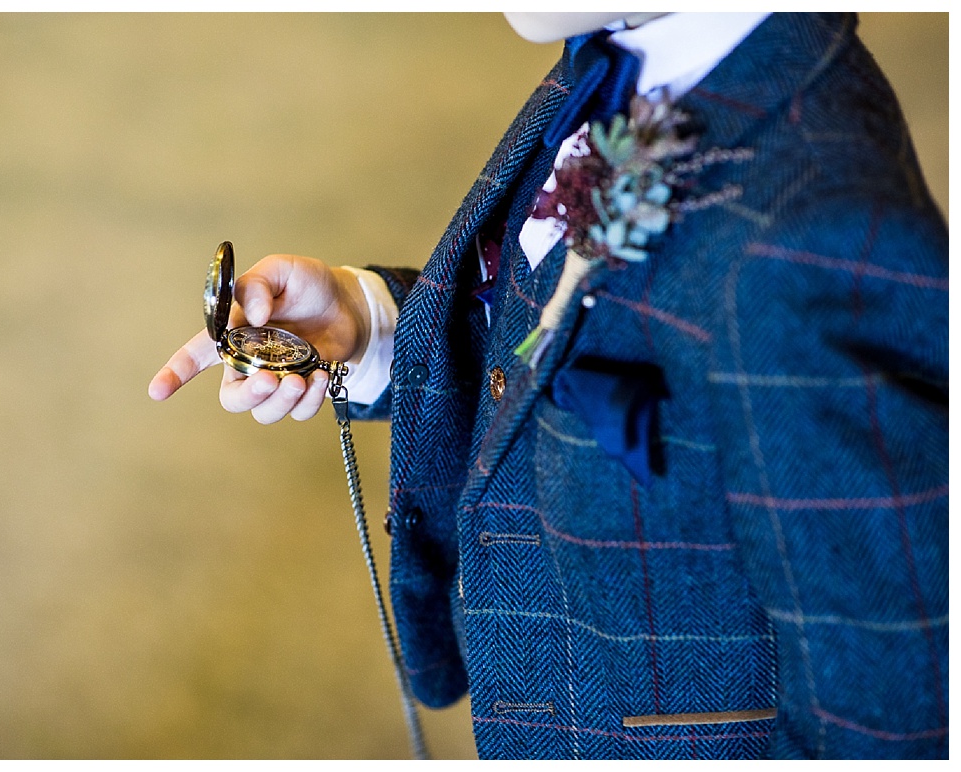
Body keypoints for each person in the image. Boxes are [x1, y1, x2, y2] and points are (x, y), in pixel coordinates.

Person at [150, 12, 945, 759]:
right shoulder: (623, 60)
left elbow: (894, 709)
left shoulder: (817, 240)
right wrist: (369, 326)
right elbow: (546, 334)